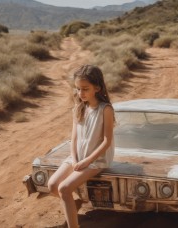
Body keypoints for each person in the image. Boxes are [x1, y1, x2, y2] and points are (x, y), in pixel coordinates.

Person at [47, 65, 115, 228]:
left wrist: (86, 161)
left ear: (97, 88)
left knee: (64, 188)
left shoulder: (105, 109)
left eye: (85, 89)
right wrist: (76, 159)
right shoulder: (79, 108)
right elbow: (74, 138)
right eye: (78, 89)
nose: (80, 93)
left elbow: (107, 141)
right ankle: (75, 201)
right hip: (78, 156)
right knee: (52, 185)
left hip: (96, 159)